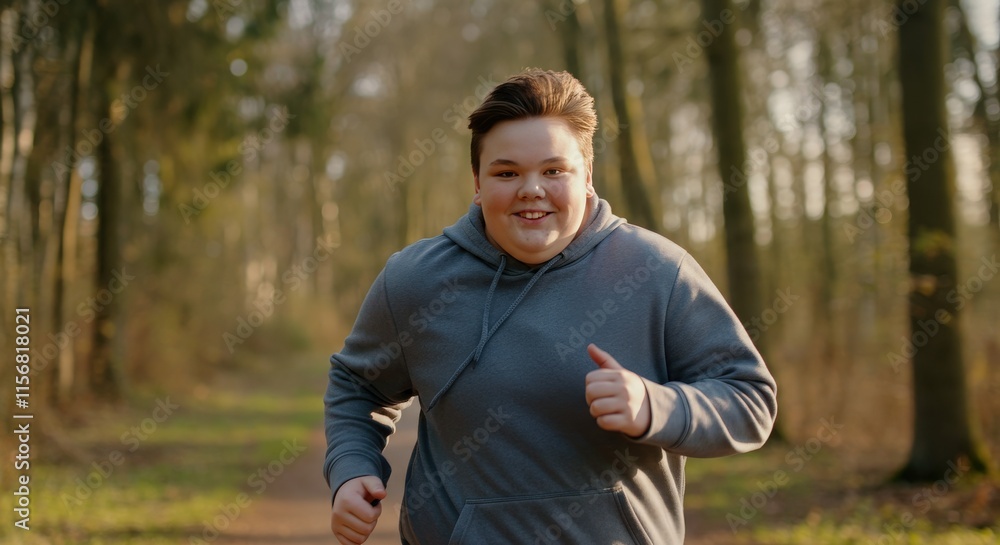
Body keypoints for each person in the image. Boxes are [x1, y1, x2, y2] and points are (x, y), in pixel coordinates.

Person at [324, 68, 777, 544]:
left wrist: (656, 406)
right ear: (477, 182)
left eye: (554, 170)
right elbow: (359, 386)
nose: (531, 189)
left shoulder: (658, 272)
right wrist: (352, 469)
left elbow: (750, 400)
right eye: (507, 172)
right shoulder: (415, 279)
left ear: (587, 177)